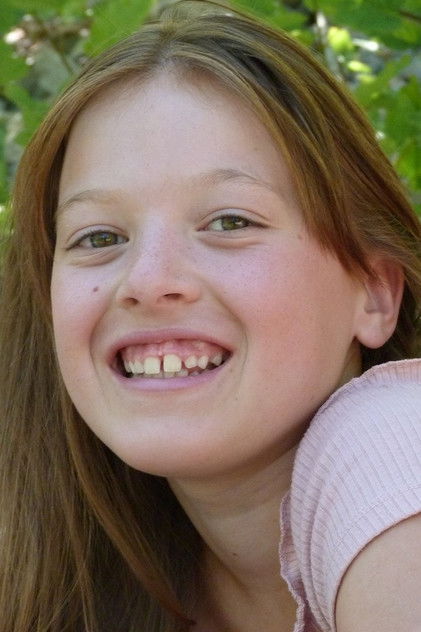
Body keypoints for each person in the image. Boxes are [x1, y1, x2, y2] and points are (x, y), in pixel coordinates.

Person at [0, 1, 420, 630]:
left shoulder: (396, 440)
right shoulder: (68, 571)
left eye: (229, 222)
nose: (147, 282)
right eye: (99, 237)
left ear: (375, 293)